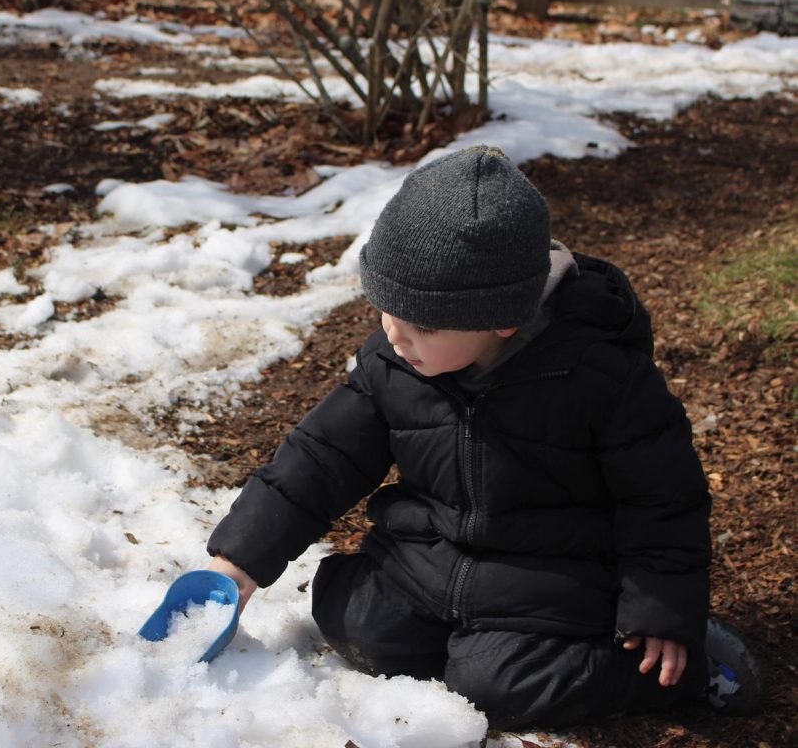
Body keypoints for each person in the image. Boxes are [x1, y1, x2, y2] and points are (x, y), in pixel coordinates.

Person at [205, 145, 762, 728]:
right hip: (428, 562)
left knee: (491, 689)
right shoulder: (396, 362)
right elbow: (322, 457)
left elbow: (663, 500)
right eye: (386, 310)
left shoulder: (602, 377)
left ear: (503, 320)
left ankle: (680, 671)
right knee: (361, 624)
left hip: (549, 586)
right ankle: (453, 643)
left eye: (421, 324)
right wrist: (239, 560)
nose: (395, 335)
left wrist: (662, 611)